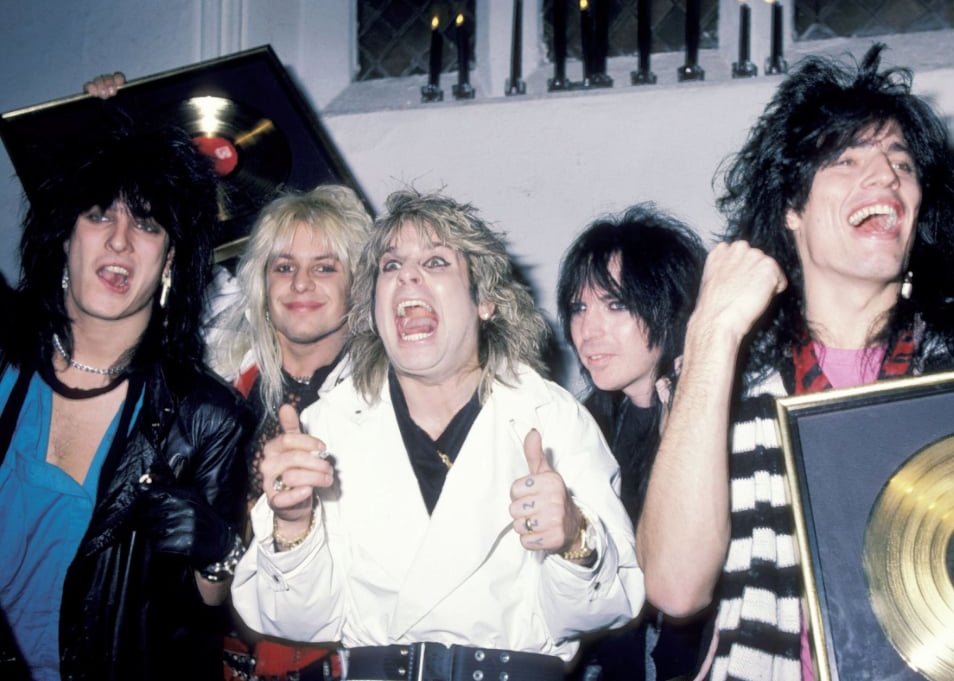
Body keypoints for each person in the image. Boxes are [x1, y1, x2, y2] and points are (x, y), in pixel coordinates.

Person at [636, 43, 954, 681]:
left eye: (901, 162)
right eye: (846, 160)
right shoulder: (724, 380)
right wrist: (709, 334)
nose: (886, 177)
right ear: (793, 210)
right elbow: (676, 587)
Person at [232, 189, 644, 681]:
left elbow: (604, 609)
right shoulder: (328, 426)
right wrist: (295, 525)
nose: (407, 275)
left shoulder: (551, 417)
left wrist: (573, 539)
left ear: (485, 301)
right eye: (390, 266)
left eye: (436, 261)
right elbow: (296, 621)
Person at [0, 119, 254, 681]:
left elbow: (200, 624)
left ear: (169, 262)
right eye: (98, 215)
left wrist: (218, 551)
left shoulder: (207, 419)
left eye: (145, 223)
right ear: (65, 238)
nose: (119, 239)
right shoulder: (4, 362)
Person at [210, 184, 373, 680]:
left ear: (358, 285)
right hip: (228, 654)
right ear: (261, 283)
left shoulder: (392, 398)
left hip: (349, 659)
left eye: (325, 267)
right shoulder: (223, 387)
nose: (301, 283)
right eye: (284, 267)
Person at [556, 204, 708, 681]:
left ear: (671, 306)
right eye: (580, 307)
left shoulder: (714, 421)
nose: (589, 329)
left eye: (617, 304)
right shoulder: (582, 426)